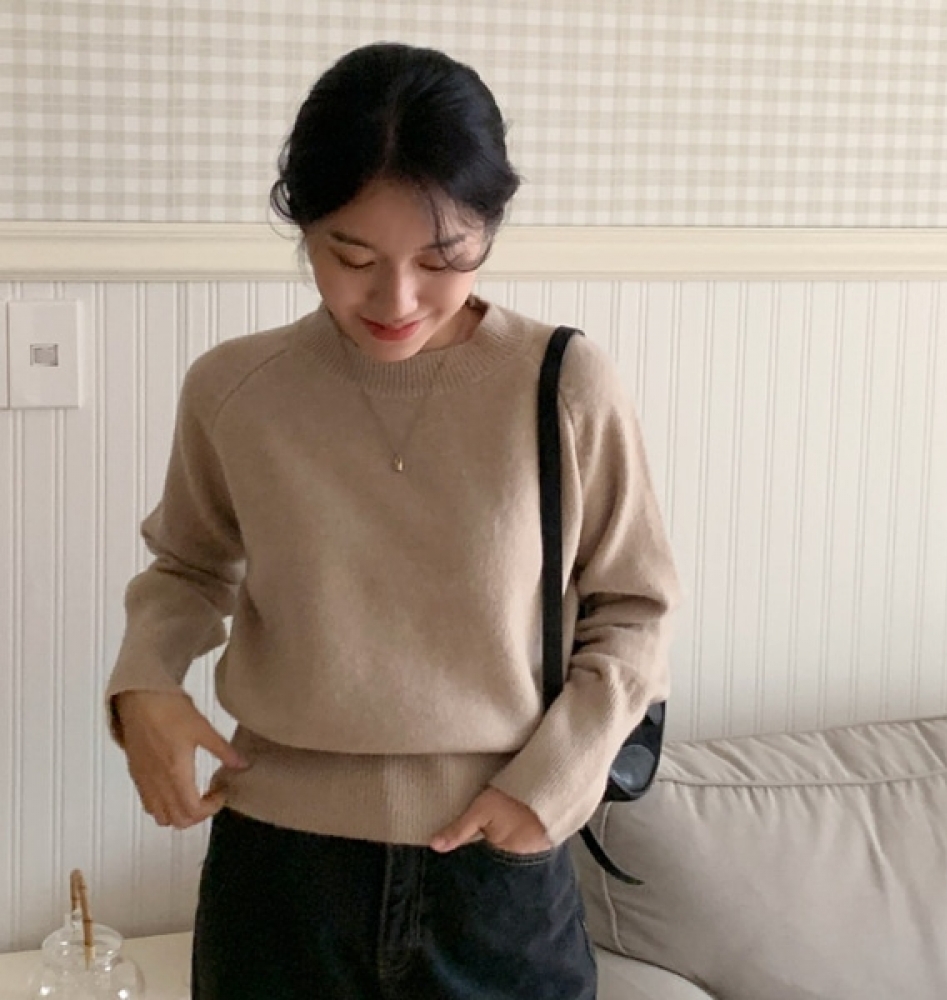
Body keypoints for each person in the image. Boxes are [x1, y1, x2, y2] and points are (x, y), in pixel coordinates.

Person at [106, 42, 679, 1000]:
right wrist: (143, 687)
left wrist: (548, 792)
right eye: (352, 257)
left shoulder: (563, 385)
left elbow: (635, 606)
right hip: (280, 874)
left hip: (497, 866)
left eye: (442, 259)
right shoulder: (236, 389)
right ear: (303, 225)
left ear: (491, 227)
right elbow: (189, 568)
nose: (397, 299)